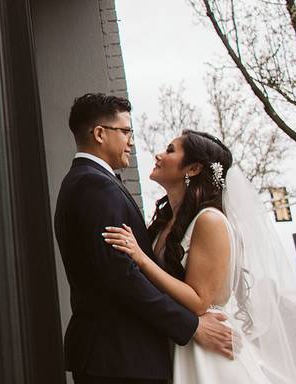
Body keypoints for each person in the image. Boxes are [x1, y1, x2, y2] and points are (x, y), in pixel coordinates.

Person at [103, 129, 296, 383]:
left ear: (193, 169)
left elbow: (199, 301)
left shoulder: (209, 220)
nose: (159, 155)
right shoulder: (165, 224)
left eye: (170, 150)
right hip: (179, 341)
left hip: (208, 351)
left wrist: (141, 258)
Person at [54, 93, 234, 383]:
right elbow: (120, 275)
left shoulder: (92, 182)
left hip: (123, 356)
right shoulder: (95, 185)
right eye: (125, 131)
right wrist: (191, 327)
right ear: (100, 134)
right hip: (119, 357)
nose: (132, 141)